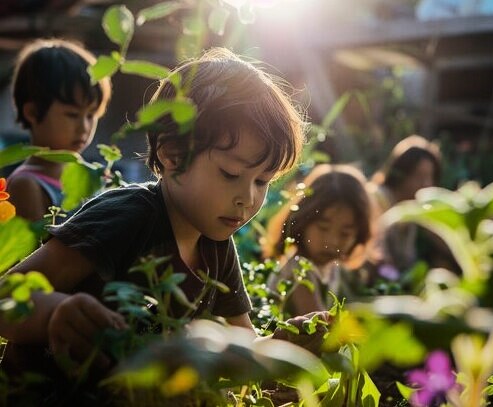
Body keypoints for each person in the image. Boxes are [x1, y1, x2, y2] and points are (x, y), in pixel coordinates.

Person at [0, 48, 325, 387]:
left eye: (263, 181)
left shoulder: (216, 247)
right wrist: (53, 313)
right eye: (230, 174)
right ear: (172, 154)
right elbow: (6, 296)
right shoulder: (125, 217)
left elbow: (242, 345)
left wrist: (283, 346)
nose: (249, 197)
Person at [6, 38, 112, 223]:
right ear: (33, 112)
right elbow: (38, 250)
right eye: (72, 114)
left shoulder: (93, 175)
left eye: (91, 115)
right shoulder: (26, 185)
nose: (84, 128)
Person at [263, 164, 372, 316]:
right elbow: (319, 328)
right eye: (323, 227)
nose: (332, 241)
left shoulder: (331, 267)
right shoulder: (300, 270)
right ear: (304, 220)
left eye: (345, 233)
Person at [365, 134, 452, 282]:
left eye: (429, 178)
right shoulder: (377, 199)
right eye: (419, 177)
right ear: (401, 174)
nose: (426, 185)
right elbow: (377, 259)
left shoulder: (410, 209)